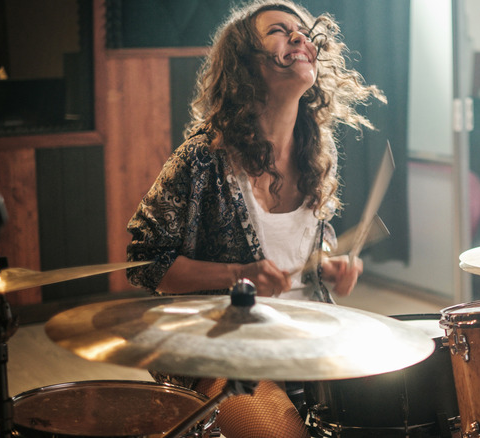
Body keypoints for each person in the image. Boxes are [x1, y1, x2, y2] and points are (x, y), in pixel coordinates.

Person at [126, 1, 385, 436]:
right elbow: (144, 261)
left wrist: (326, 263)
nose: (301, 39)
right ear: (244, 63)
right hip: (224, 347)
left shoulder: (318, 153)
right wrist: (239, 274)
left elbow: (304, 242)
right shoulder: (203, 157)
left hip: (307, 336)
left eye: (306, 33)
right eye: (281, 32)